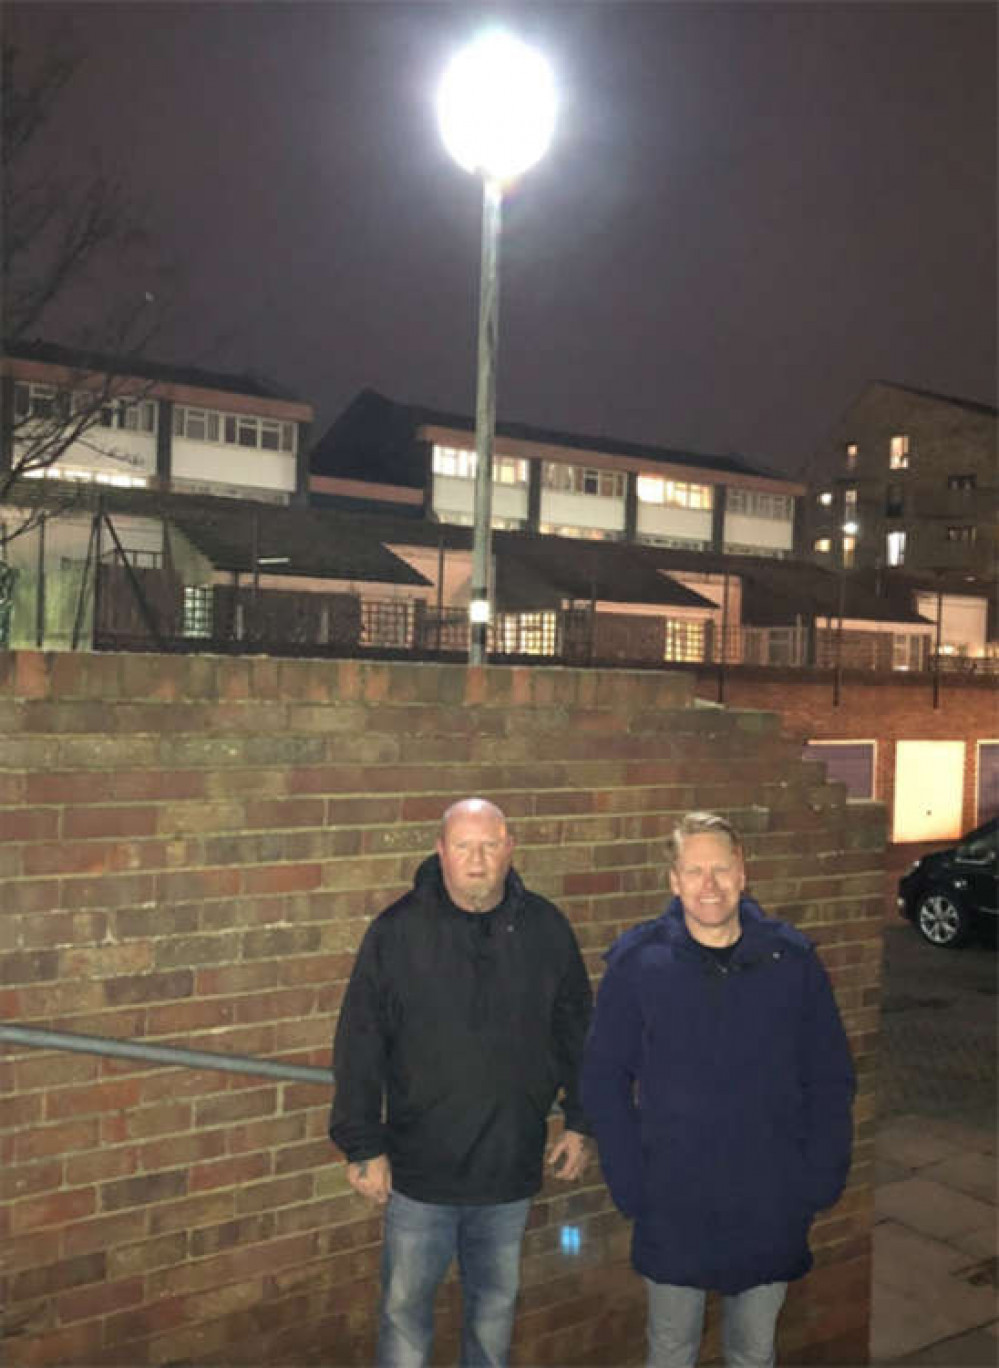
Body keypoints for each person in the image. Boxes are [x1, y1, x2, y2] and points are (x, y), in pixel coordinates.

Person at [582, 811, 855, 1368]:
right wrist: (632, 1183)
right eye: (694, 871)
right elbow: (604, 1079)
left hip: (770, 1196)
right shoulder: (639, 965)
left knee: (754, 1351)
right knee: (672, 1349)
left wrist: (819, 1177)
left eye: (721, 870)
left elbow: (829, 1076)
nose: (710, 886)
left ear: (742, 872)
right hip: (675, 1199)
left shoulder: (790, 961)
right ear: (674, 881)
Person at [330, 797, 593, 1368]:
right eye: (464, 846)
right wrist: (362, 1143)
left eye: (490, 845)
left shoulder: (547, 930)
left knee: (493, 1323)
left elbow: (578, 1030)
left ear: (510, 850)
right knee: (404, 1323)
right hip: (419, 1176)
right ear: (441, 851)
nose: (477, 860)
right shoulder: (397, 933)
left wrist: (580, 1120)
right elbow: (359, 1042)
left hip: (508, 1171)